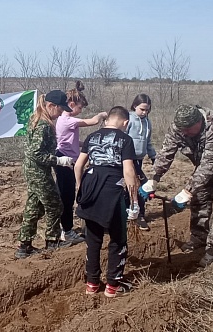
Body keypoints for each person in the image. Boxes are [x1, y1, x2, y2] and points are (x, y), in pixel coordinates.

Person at [141, 104, 213, 267]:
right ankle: (199, 238)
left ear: (199, 122)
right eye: (181, 129)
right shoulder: (179, 127)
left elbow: (209, 165)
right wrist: (153, 179)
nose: (184, 133)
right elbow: (166, 153)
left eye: (188, 130)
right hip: (204, 165)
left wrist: (186, 192)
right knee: (200, 200)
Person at [74, 106, 139, 297]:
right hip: (112, 190)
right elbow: (128, 172)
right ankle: (113, 286)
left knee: (93, 240)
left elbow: (78, 166)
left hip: (90, 187)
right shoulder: (125, 139)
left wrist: (81, 187)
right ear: (125, 123)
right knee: (118, 240)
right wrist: (134, 202)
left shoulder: (92, 137)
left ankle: (92, 284)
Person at [15, 90, 77, 259]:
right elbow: (35, 153)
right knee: (55, 205)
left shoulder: (38, 119)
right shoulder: (43, 125)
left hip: (34, 170)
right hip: (38, 172)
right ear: (51, 106)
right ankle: (52, 240)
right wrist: (59, 161)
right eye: (60, 109)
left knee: (33, 208)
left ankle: (24, 246)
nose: (61, 113)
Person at [55, 81, 107, 243]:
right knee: (67, 196)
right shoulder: (66, 120)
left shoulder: (67, 121)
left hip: (68, 159)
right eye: (80, 107)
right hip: (65, 163)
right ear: (71, 104)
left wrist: (86, 144)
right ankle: (67, 230)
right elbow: (92, 121)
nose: (81, 111)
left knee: (67, 195)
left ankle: (65, 228)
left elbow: (71, 141)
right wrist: (102, 115)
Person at [126, 94, 157, 231]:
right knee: (140, 185)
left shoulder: (147, 122)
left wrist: (153, 156)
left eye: (147, 110)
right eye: (142, 109)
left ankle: (139, 214)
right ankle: (135, 215)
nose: (144, 112)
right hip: (128, 159)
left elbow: (147, 141)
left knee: (140, 186)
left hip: (140, 159)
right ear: (134, 106)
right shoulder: (128, 119)